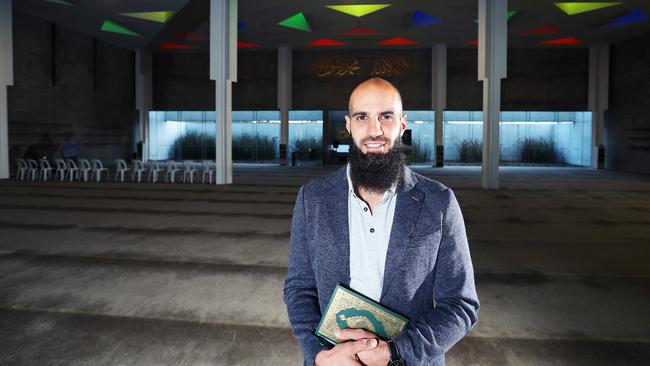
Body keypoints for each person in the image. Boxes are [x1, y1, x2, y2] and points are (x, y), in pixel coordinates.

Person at [284, 78, 479, 366]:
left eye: (386, 116)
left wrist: (393, 352)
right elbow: (299, 290)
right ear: (349, 125)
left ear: (402, 124)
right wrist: (320, 356)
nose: (375, 130)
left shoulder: (439, 202)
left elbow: (461, 305)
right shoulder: (312, 199)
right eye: (363, 117)